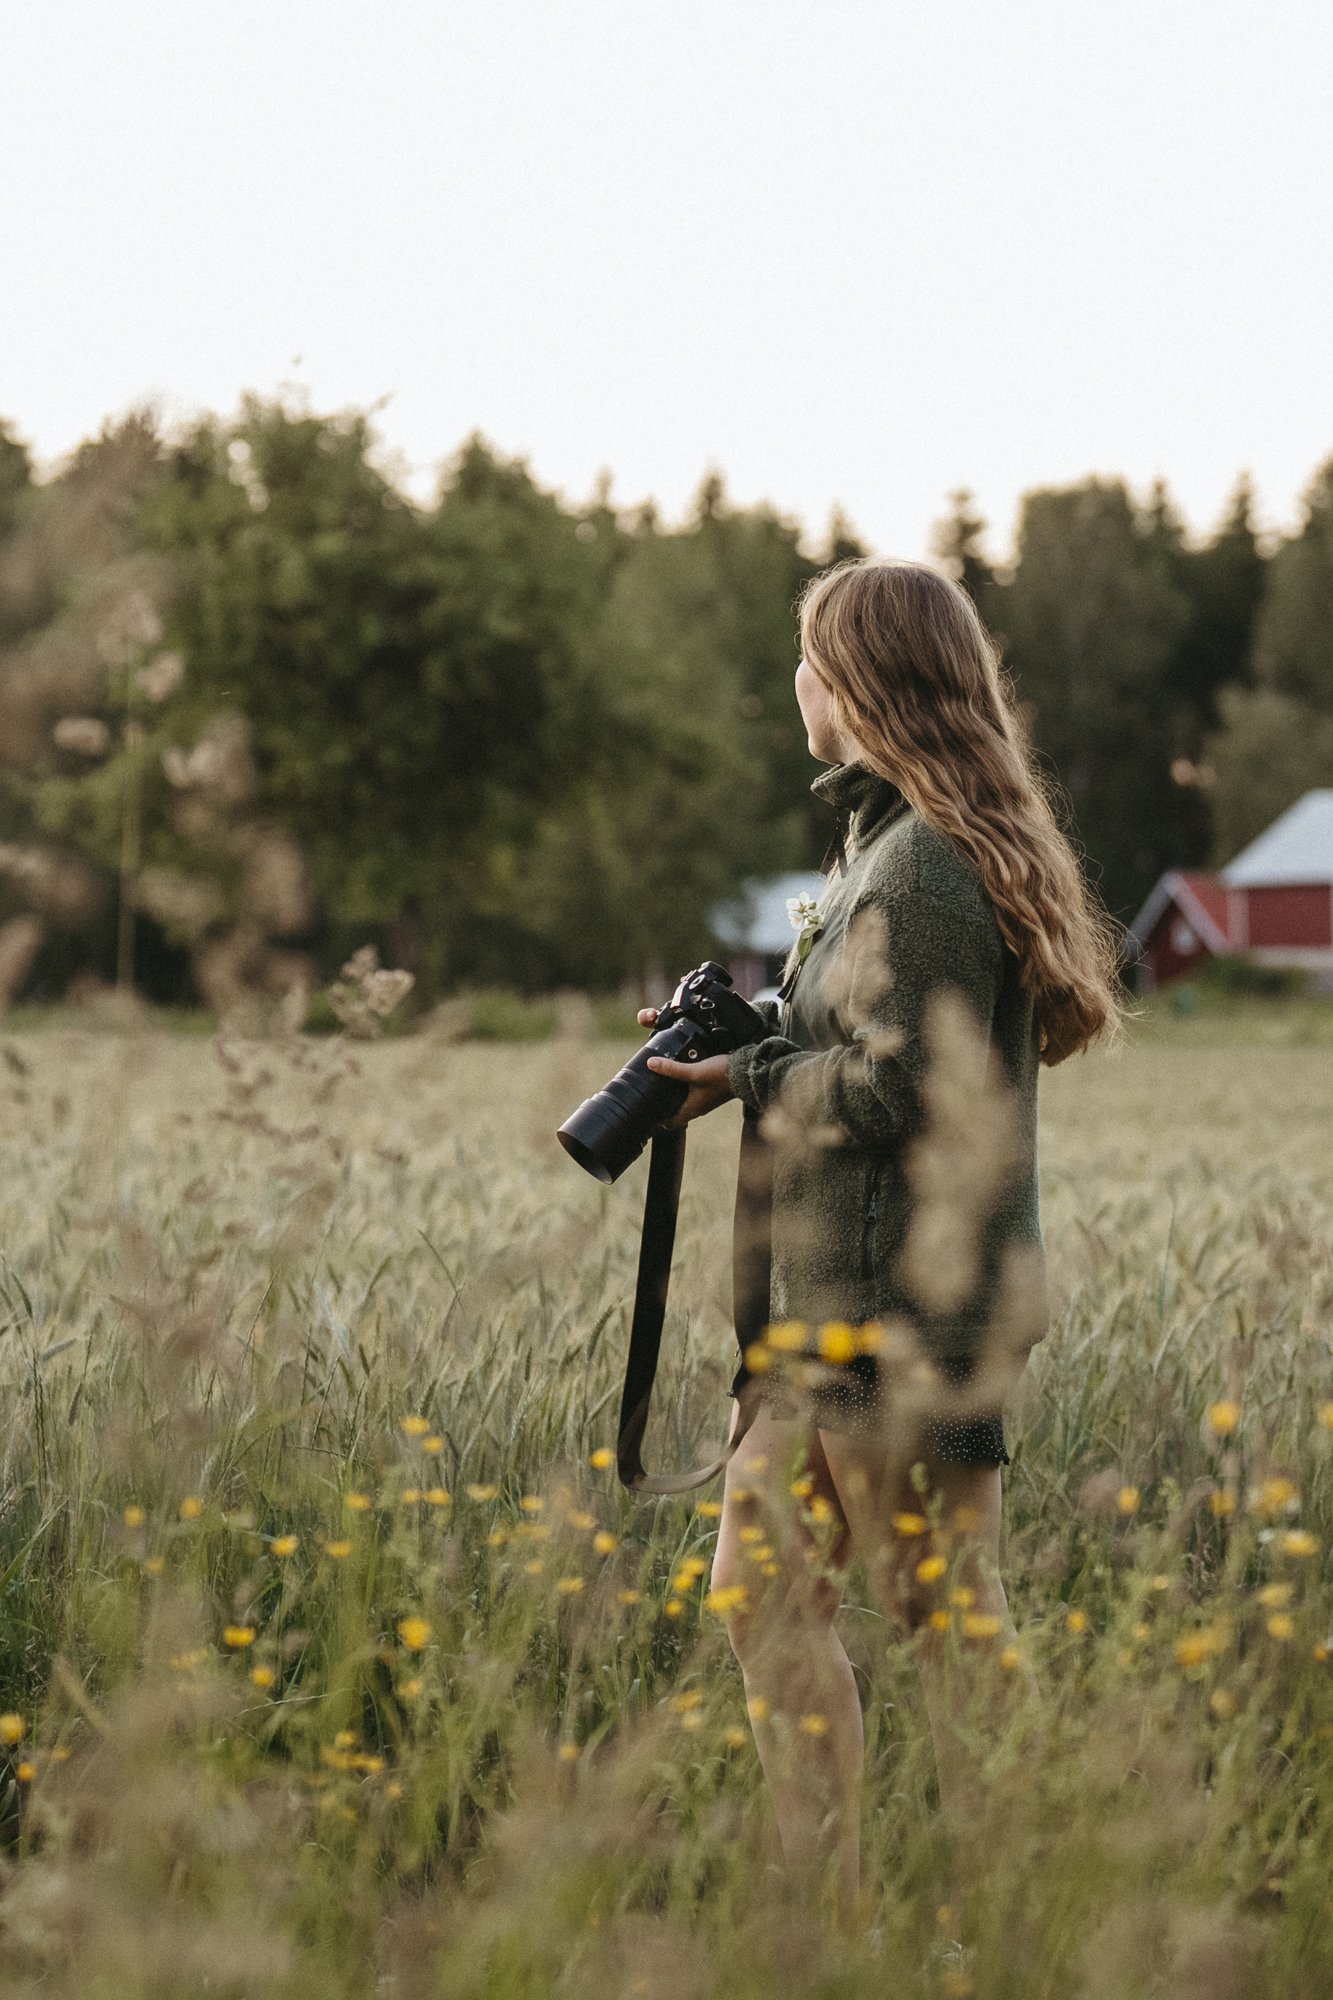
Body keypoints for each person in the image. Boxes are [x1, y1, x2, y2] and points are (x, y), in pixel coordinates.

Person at [636, 556, 1125, 1937]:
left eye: (808, 657)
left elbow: (907, 1094)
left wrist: (739, 1085)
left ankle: (1042, 1901)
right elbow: (868, 1052)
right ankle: (825, 1908)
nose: (795, 681)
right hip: (837, 1302)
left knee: (942, 1624)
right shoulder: (885, 851)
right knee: (759, 1595)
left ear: (855, 682)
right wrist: (751, 1042)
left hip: (907, 1311)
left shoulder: (918, 870)